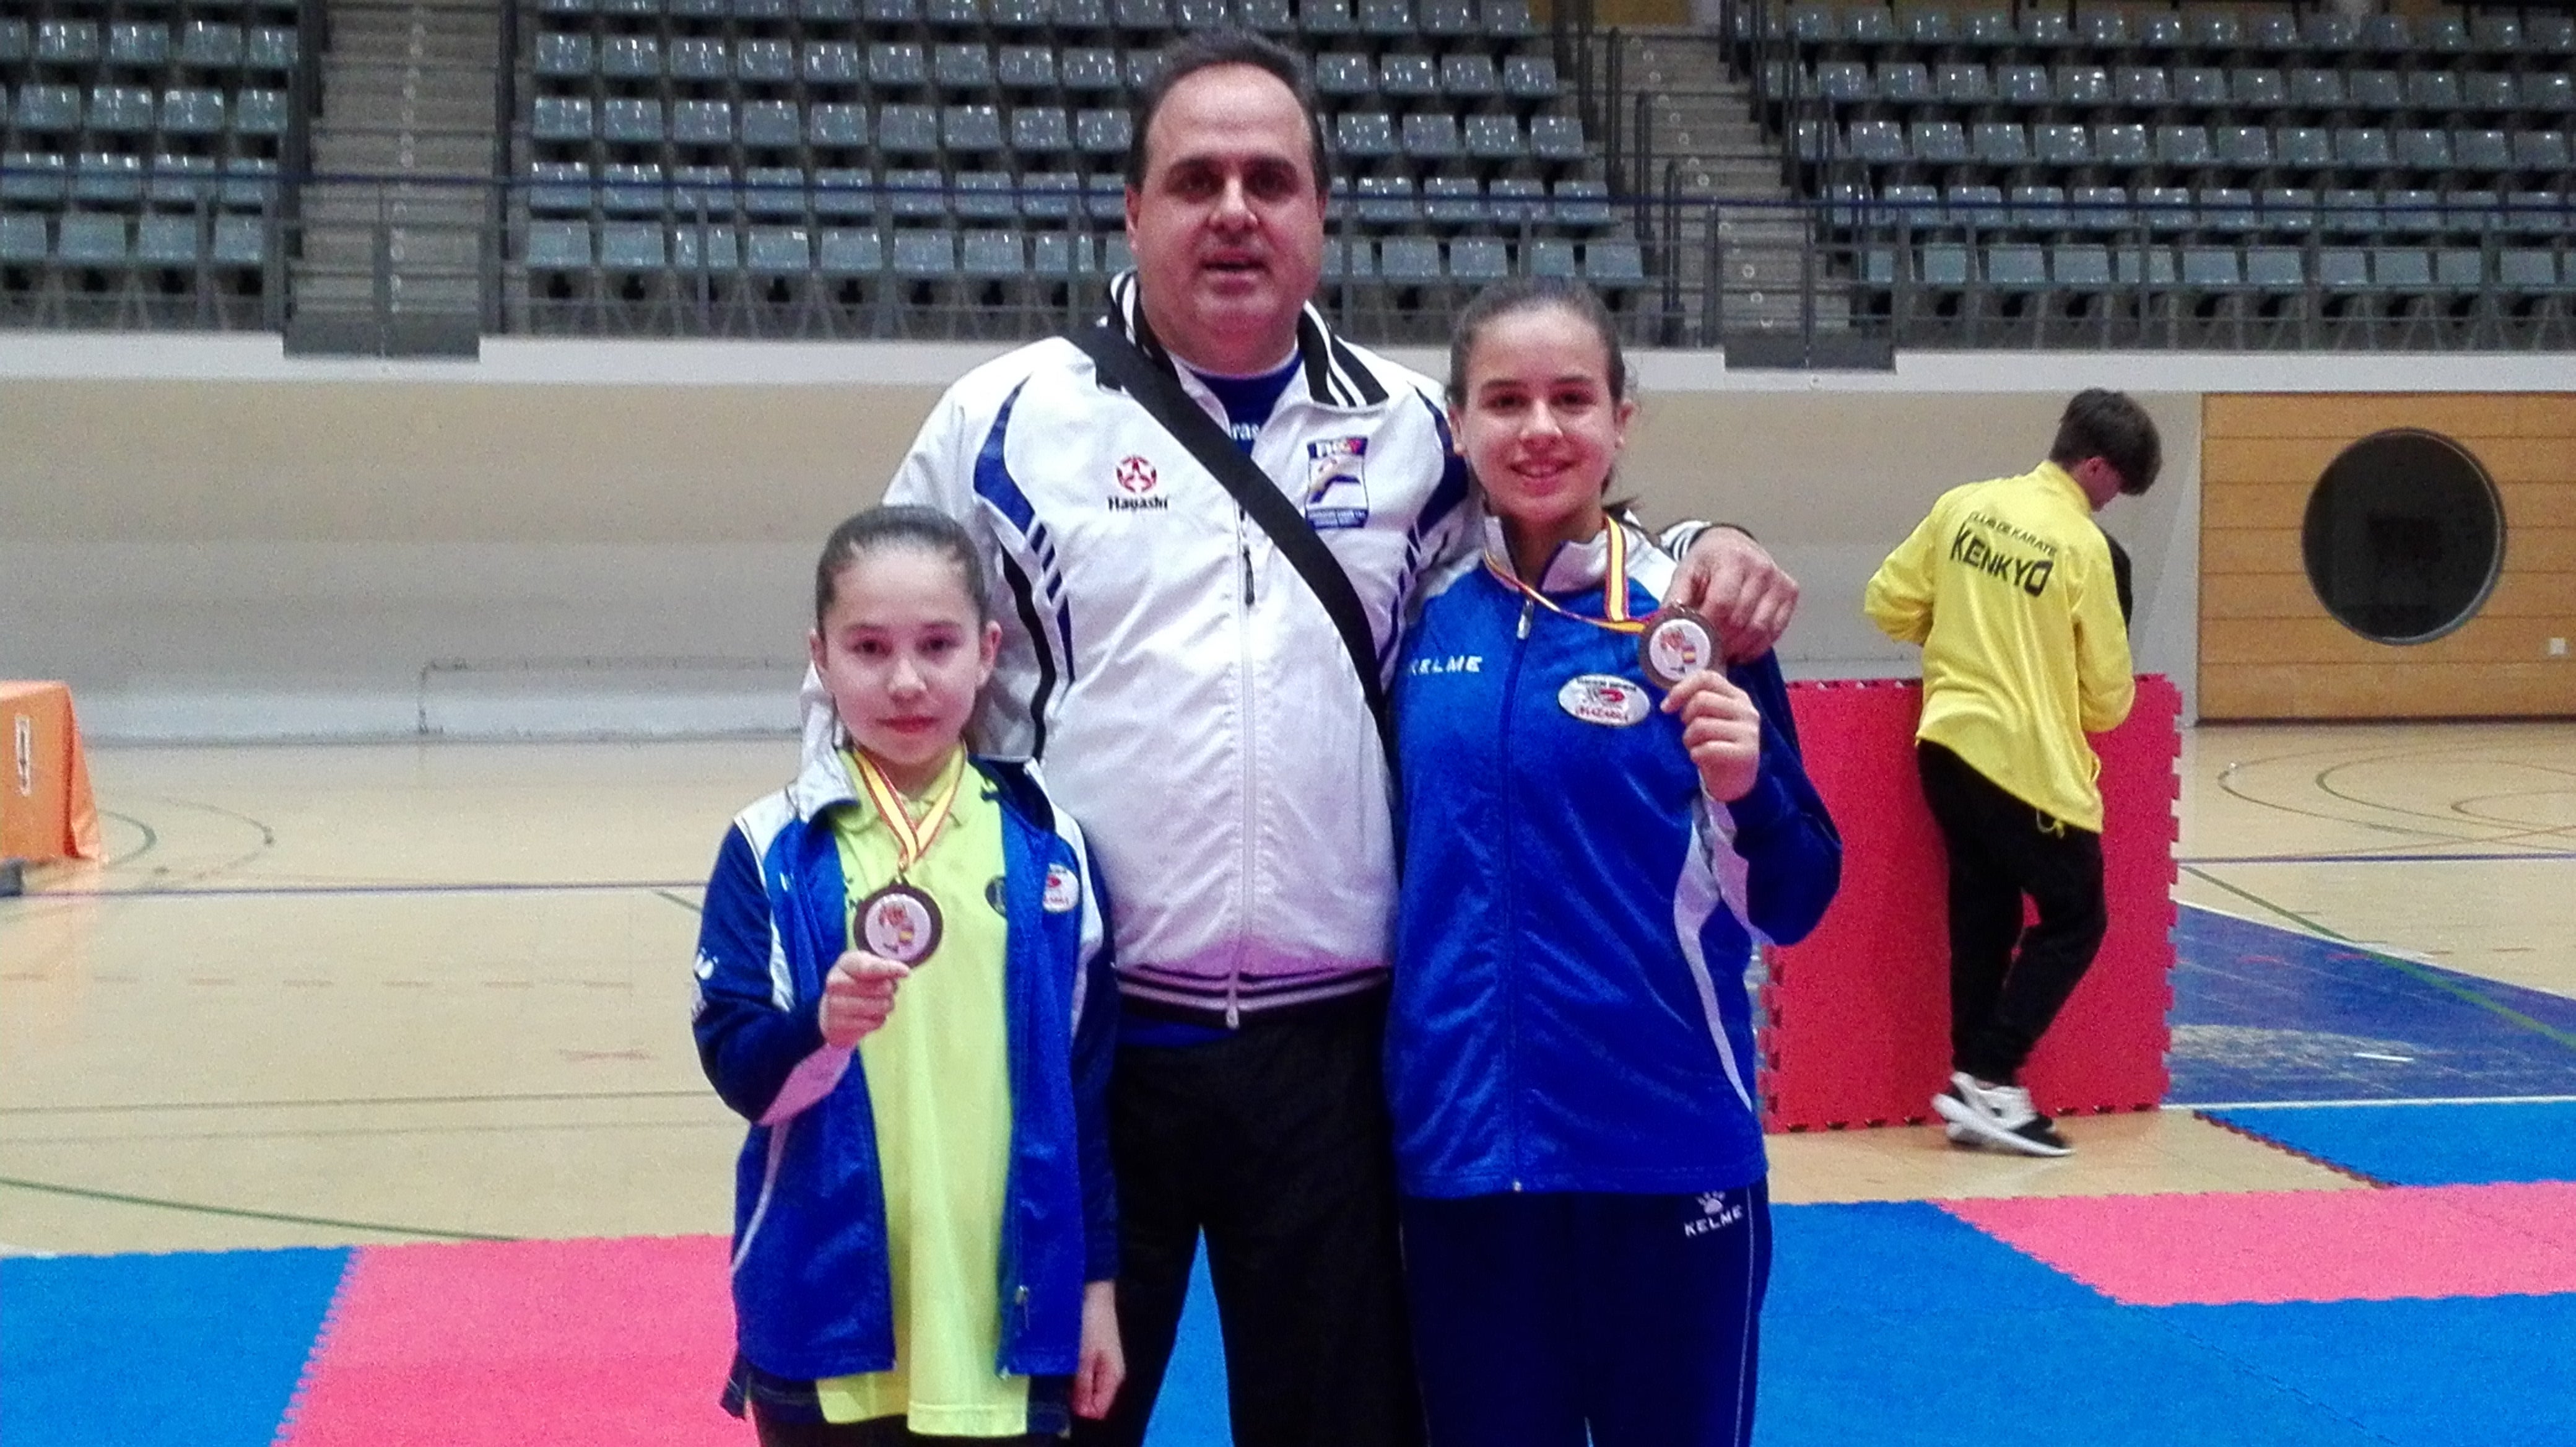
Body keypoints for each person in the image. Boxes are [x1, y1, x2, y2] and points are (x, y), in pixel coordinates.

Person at [803, 32, 1803, 1447]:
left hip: (1335, 1055)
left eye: (1268, 180)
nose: (1233, 211)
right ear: (1132, 210)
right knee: (1054, 1419)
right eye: (1194, 179)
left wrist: (1707, 540)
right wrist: (835, 925)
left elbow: (1561, 517)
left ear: (1320, 215)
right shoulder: (1005, 419)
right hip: (1086, 1041)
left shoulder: (1409, 433)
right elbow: (869, 658)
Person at [1385, 279, 1842, 1447]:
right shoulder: (1410, 618)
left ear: (1622, 420)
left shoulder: (1697, 621)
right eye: (1505, 401)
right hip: (1464, 1169)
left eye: (1572, 399)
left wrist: (1749, 790)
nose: (1539, 429)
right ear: (1458, 425)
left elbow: (1796, 896)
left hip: (1669, 1157)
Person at [697, 507, 1125, 1445]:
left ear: (987, 651)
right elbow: (741, 1072)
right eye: (868, 647)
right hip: (826, 1313)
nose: (904, 680)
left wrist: (1096, 1287)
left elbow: (1085, 1095)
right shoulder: (770, 848)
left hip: (1008, 1316)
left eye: (937, 645)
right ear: (820, 657)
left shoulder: (1052, 850)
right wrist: (820, 1028)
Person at [1862, 388, 2162, 1158]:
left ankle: (1973, 1088)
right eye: (2116, 485)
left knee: (1984, 915)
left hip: (1944, 745)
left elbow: (1887, 603)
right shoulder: (2083, 547)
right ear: (2095, 466)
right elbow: (2106, 697)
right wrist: (2047, 673)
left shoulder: (1963, 505)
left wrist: (1964, 632)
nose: (2110, 501)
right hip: (2023, 763)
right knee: (2076, 916)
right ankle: (1992, 1074)